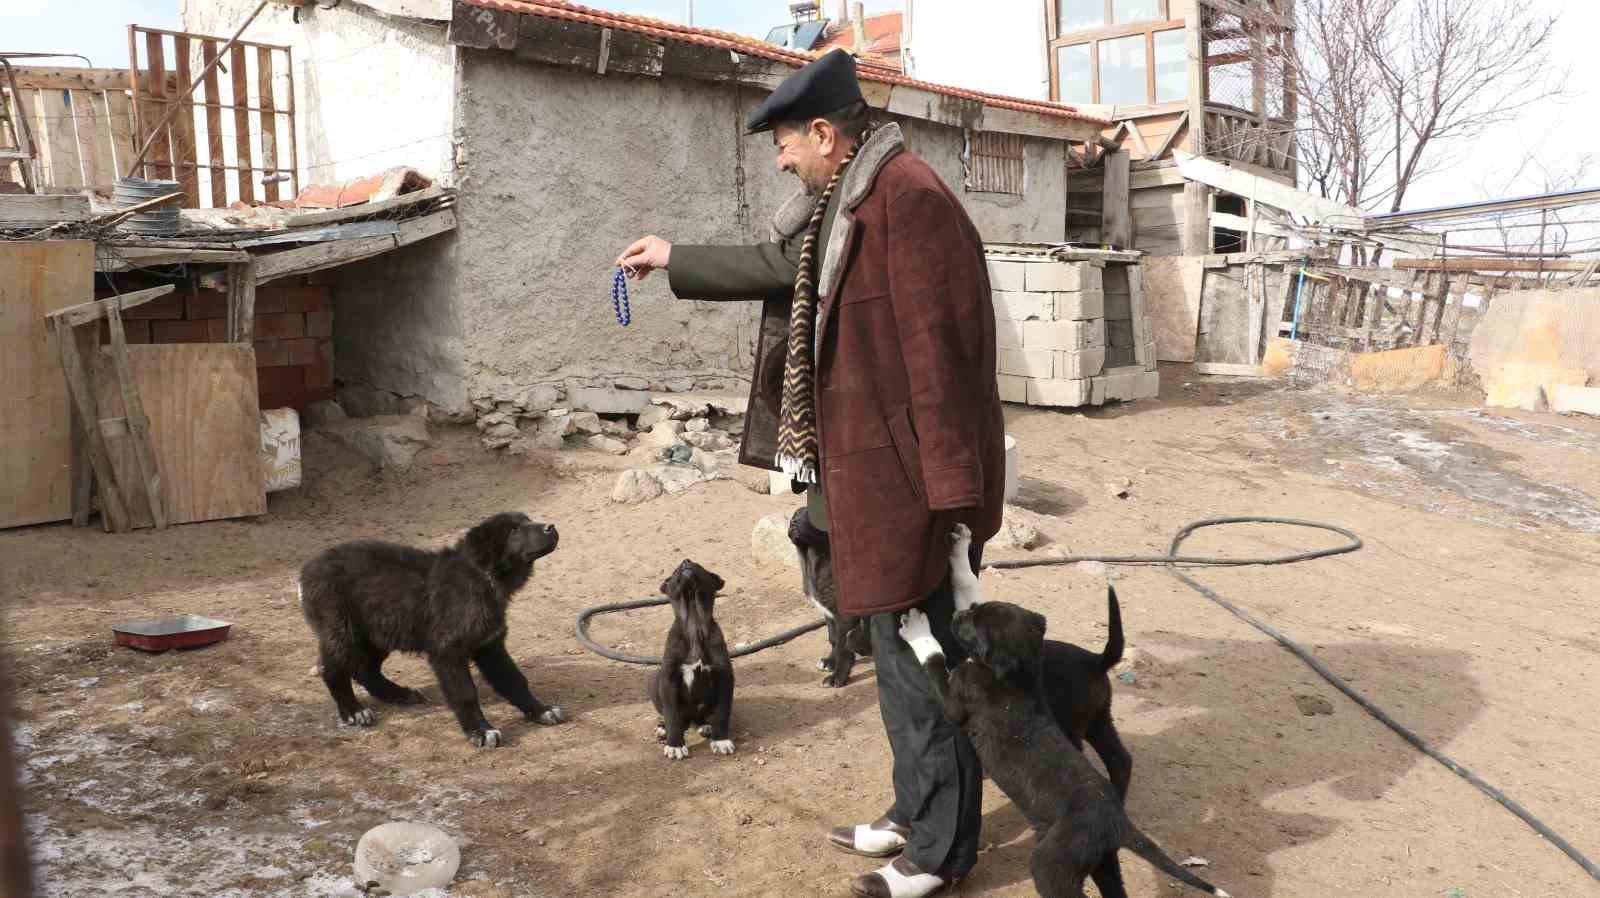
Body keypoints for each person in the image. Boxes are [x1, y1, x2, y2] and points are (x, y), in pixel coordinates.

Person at [616, 48, 1005, 898]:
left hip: (909, 488)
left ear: (827, 133)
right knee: (891, 658)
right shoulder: (845, 200)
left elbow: (945, 364)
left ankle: (940, 854)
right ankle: (914, 811)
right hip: (861, 476)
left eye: (786, 144)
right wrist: (674, 256)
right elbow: (773, 265)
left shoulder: (911, 202)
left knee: (925, 664)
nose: (780, 159)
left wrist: (953, 511)